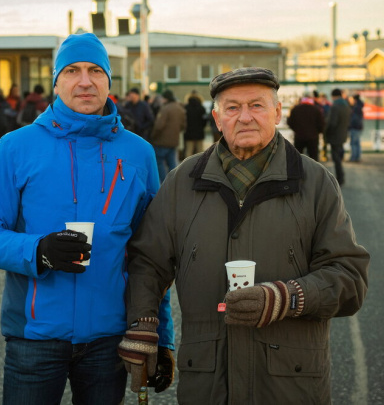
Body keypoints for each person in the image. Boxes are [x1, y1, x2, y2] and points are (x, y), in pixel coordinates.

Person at [118, 67, 370, 403]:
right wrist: (143, 322)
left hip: (288, 386)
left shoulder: (314, 182)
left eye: (257, 106)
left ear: (277, 113)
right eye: (233, 108)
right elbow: (147, 262)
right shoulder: (182, 182)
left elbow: (350, 278)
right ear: (217, 118)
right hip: (208, 384)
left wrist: (287, 297)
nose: (245, 117)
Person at [0, 32, 175, 405]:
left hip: (108, 340)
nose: (85, 81)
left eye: (96, 70)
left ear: (109, 81)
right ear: (57, 81)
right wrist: (38, 251)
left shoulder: (138, 153)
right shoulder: (15, 147)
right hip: (35, 338)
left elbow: (153, 255)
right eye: (73, 70)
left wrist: (162, 336)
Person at [150, 89, 186, 182]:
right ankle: (174, 182)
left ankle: (164, 182)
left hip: (162, 141)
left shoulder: (165, 109)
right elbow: (183, 125)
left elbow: (159, 126)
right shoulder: (180, 108)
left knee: (159, 162)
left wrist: (153, 136)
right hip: (174, 140)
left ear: (165, 98)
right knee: (172, 162)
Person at [324, 88, 352, 185]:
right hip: (342, 134)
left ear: (334, 96)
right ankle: (341, 177)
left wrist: (326, 133)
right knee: (338, 156)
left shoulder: (335, 106)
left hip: (335, 136)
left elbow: (333, 123)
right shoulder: (346, 105)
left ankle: (340, 178)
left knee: (336, 158)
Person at [287, 93, 325, 161]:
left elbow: (290, 122)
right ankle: (313, 171)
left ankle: (298, 171)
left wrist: (297, 130)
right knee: (313, 158)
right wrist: (317, 132)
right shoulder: (316, 110)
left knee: (297, 158)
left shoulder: (295, 109)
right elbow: (321, 124)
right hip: (313, 137)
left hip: (299, 137)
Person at [184, 92, 207, 158]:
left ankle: (187, 167)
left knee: (189, 151)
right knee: (200, 151)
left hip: (189, 132)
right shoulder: (202, 108)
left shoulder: (186, 107)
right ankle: (201, 167)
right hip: (199, 132)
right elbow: (204, 121)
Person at [348, 94, 365, 162]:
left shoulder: (356, 108)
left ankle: (353, 158)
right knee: (357, 143)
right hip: (358, 127)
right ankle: (357, 157)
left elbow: (354, 119)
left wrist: (350, 125)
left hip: (355, 128)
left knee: (353, 143)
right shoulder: (359, 107)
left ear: (354, 100)